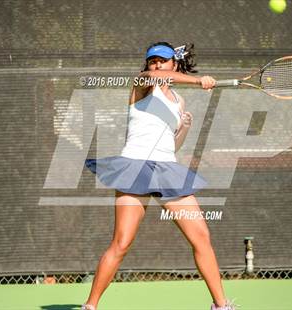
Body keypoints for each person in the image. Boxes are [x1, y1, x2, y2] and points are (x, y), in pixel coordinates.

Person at [82, 42, 237, 310]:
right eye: (152, 60)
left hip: (167, 169)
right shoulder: (143, 84)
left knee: (201, 236)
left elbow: (172, 146)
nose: (156, 65)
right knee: (121, 242)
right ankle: (90, 306)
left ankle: (221, 305)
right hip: (135, 167)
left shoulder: (179, 101)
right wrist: (199, 80)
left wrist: (184, 129)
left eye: (162, 61)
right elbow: (156, 78)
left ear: (174, 64)